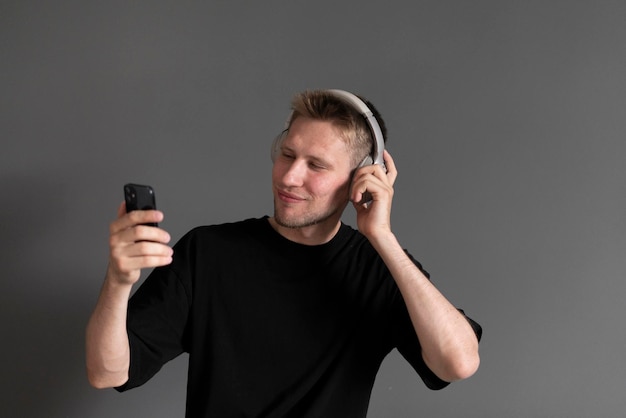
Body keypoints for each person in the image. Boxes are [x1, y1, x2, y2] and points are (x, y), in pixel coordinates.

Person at [86, 89, 482, 417]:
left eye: (317, 165)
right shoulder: (208, 252)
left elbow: (458, 363)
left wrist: (382, 237)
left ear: (364, 177)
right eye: (288, 155)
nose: (290, 177)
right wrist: (119, 282)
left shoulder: (378, 268)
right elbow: (107, 373)